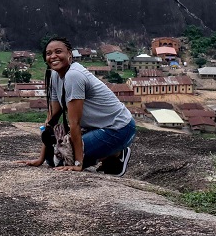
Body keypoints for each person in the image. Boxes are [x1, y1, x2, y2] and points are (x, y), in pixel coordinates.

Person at [17, 37, 135, 176]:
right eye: (48, 53)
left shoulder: (74, 76)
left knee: (62, 162)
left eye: (58, 51)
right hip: (96, 127)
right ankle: (109, 150)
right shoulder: (55, 75)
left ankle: (116, 152)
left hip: (119, 128)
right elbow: (51, 121)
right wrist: (41, 159)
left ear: (70, 54)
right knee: (52, 160)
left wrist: (77, 164)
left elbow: (74, 123)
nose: (53, 56)